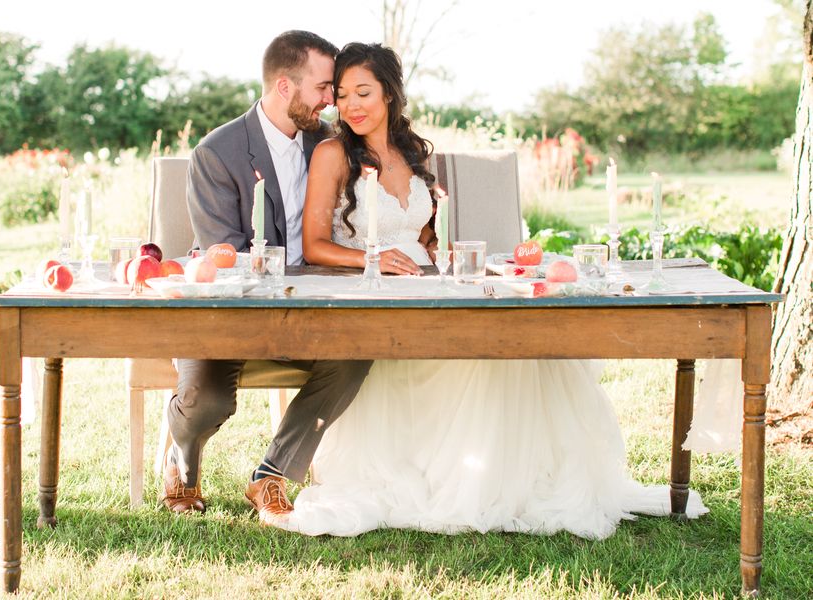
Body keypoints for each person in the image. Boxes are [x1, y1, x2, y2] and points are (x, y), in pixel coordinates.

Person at [285, 42, 708, 538]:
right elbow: (314, 245)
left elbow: (425, 233)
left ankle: (520, 479)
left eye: (364, 92)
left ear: (390, 94)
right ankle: (468, 482)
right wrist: (372, 258)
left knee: (518, 346)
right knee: (477, 359)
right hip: (378, 294)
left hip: (435, 284)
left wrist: (444, 252)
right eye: (342, 94)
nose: (352, 105)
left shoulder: (415, 151)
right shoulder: (333, 154)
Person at [163, 31, 372, 522]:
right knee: (207, 401)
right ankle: (180, 460)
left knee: (358, 354)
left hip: (312, 307)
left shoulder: (329, 144)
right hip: (226, 312)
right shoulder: (218, 152)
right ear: (284, 86)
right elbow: (227, 254)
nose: (331, 100)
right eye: (324, 88)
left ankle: (271, 475)